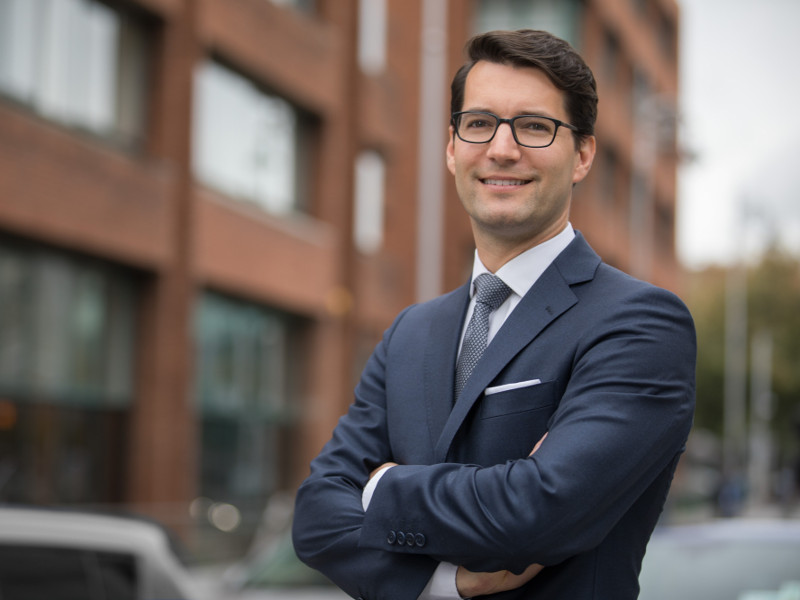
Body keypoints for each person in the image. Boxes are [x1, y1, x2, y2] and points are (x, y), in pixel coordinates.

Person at [292, 29, 695, 600]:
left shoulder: (640, 324)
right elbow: (314, 514)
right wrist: (444, 583)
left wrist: (382, 486)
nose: (502, 150)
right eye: (479, 123)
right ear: (453, 147)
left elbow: (541, 510)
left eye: (534, 126)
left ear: (582, 155)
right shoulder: (412, 332)